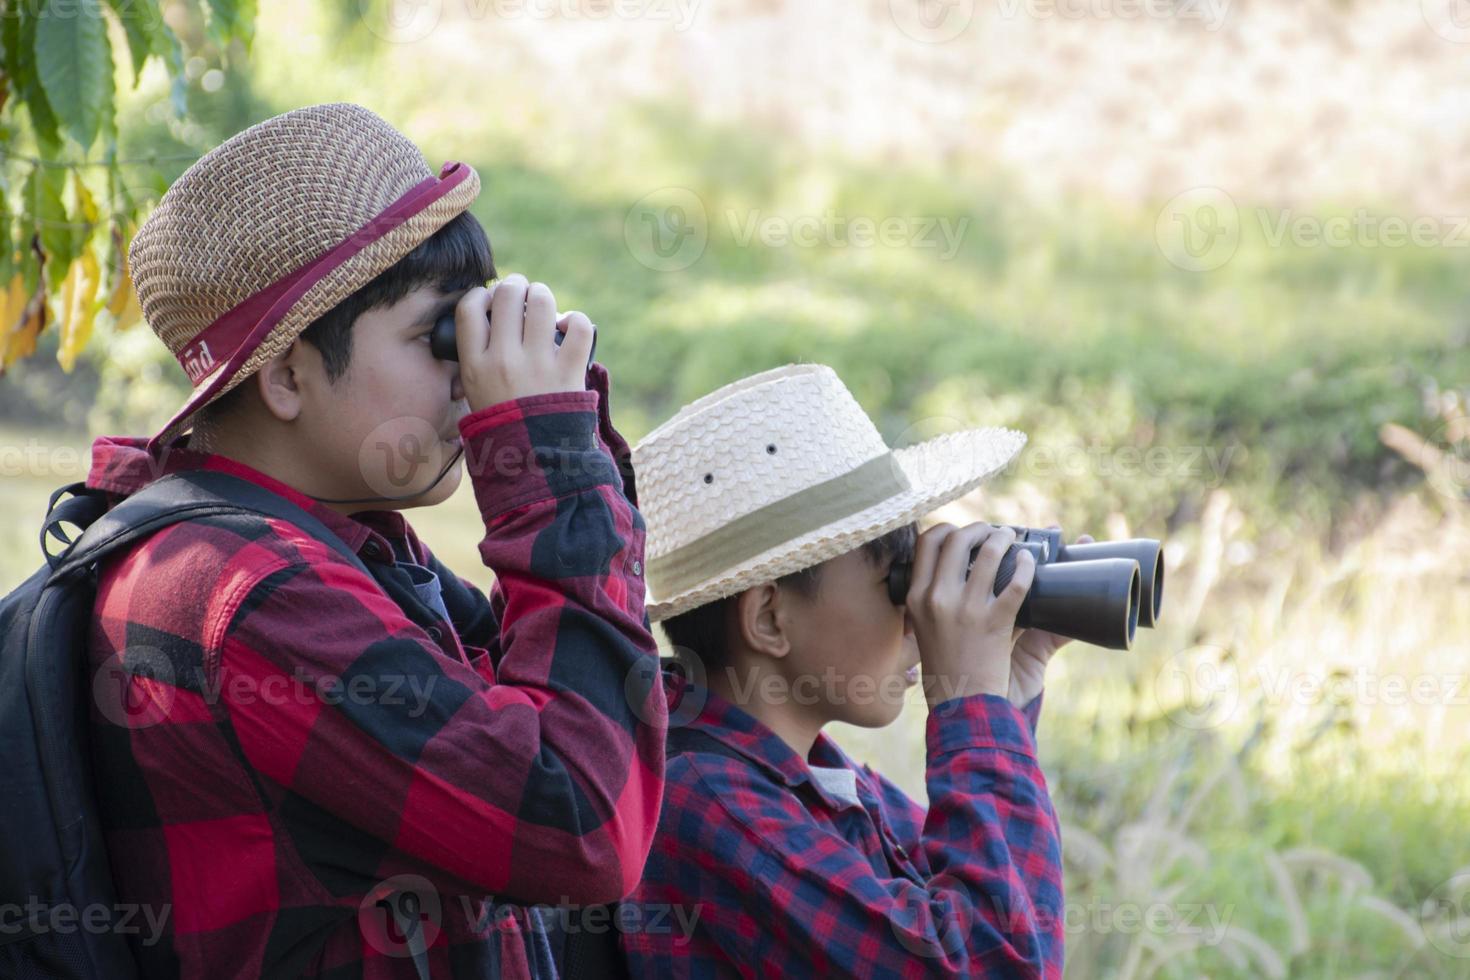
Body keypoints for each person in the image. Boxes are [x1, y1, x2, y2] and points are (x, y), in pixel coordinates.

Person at [83, 102, 666, 978]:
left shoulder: (335, 552)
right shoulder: (244, 595)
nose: (470, 374)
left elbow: (550, 699)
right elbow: (582, 823)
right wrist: (542, 455)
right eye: (441, 335)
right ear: (287, 375)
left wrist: (561, 455)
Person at [620, 364, 1072, 977]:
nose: (917, 617)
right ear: (771, 619)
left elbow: (987, 905)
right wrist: (971, 706)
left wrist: (1008, 700)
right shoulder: (709, 800)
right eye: (897, 581)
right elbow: (991, 962)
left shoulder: (807, 774)